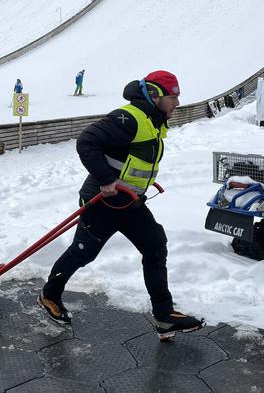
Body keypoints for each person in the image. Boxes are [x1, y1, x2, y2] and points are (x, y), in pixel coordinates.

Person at [38, 70, 203, 338]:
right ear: (155, 95)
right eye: (173, 97)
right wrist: (106, 179)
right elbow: (86, 141)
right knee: (83, 252)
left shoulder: (153, 120)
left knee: (155, 246)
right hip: (103, 201)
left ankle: (164, 316)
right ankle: (49, 295)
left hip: (130, 201)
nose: (177, 103)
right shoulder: (128, 117)